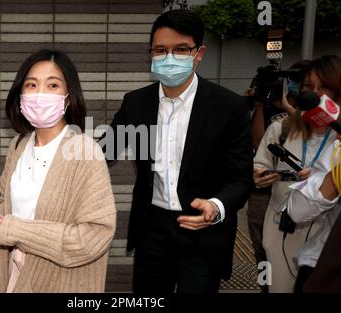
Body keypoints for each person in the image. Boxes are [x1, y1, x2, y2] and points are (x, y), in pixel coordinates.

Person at [99, 10, 252, 293]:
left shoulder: (228, 107)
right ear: (151, 54)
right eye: (160, 50)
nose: (169, 58)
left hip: (203, 230)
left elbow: (241, 179)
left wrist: (216, 207)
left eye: (180, 49)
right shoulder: (136, 103)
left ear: (199, 53)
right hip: (153, 229)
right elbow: (103, 153)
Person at [0, 49, 116, 293]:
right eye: (31, 84)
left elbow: (95, 236)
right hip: (15, 278)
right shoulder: (19, 145)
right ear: (20, 94)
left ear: (69, 97)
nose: (40, 93)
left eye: (52, 85)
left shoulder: (85, 150)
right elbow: (6, 203)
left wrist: (12, 229)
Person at [246, 61, 310, 293]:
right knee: (266, 254)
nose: (304, 89)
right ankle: (266, 288)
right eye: (300, 83)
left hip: (311, 213)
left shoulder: (330, 127)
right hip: (267, 200)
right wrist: (260, 103)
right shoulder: (279, 123)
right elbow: (258, 147)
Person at [285, 55, 341, 293]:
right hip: (327, 268)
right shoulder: (336, 148)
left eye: (325, 87)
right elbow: (297, 210)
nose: (316, 95)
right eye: (309, 87)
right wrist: (334, 177)